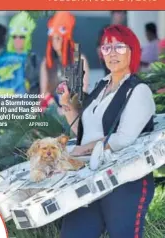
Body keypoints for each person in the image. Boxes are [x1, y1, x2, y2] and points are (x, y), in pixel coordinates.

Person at [59, 24, 155, 238]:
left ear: (132, 50)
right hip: (88, 178)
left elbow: (123, 139)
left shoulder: (138, 90)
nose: (112, 54)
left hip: (125, 182)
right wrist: (67, 105)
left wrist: (80, 150)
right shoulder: (101, 86)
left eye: (119, 47)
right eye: (106, 48)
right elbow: (84, 134)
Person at [39, 11, 90, 111]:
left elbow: (83, 91)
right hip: (53, 107)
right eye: (52, 38)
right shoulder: (46, 62)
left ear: (66, 38)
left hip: (74, 108)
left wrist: (68, 107)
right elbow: (43, 93)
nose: (55, 42)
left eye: (58, 38)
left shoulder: (79, 59)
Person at [7, 11, 39, 94]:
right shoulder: (5, 59)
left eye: (21, 37)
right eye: (14, 37)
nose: (17, 40)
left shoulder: (34, 59)